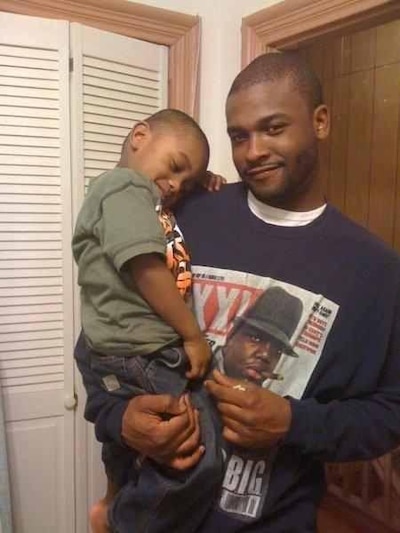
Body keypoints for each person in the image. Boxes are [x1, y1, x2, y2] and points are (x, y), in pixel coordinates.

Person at [79, 52, 400, 532]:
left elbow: (388, 412)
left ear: (320, 121)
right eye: (238, 136)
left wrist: (295, 424)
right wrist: (118, 418)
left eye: (273, 128)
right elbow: (103, 329)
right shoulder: (182, 215)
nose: (252, 152)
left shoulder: (374, 270)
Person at [73, 108, 225, 533]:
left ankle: (110, 501)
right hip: (139, 347)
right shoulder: (123, 185)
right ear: (140, 136)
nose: (177, 185)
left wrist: (203, 183)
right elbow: (146, 267)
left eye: (187, 181)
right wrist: (192, 335)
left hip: (123, 345)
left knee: (130, 443)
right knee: (202, 452)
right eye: (176, 167)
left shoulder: (146, 200)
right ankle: (121, 522)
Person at [214, 286, 303, 386]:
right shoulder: (195, 378)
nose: (265, 355)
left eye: (278, 350)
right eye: (256, 338)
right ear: (231, 335)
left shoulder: (265, 400)